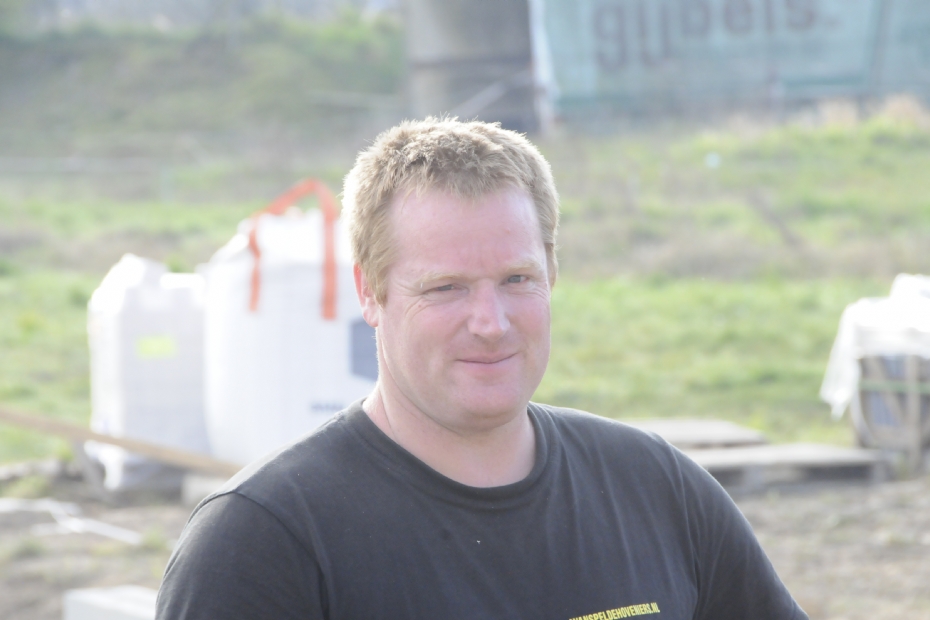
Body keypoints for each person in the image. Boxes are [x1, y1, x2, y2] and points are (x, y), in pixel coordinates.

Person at [156, 118, 808, 620]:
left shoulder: (658, 490)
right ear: (369, 292)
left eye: (516, 279)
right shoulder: (263, 541)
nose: (491, 322)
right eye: (446, 288)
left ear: (553, 272)